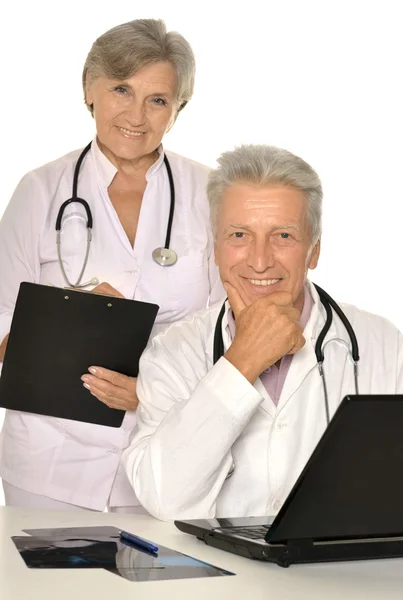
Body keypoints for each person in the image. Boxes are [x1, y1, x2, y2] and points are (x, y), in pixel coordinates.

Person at [0, 19, 224, 512]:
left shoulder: (212, 195)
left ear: (178, 108)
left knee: (159, 591)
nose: (137, 115)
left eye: (158, 99)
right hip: (50, 464)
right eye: (121, 89)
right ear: (89, 88)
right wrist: (67, 319)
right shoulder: (39, 192)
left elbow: (227, 331)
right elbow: (1, 335)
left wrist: (151, 390)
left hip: (167, 460)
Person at [122, 144, 403, 520]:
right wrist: (242, 361)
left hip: (338, 576)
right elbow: (166, 501)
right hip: (215, 577)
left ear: (314, 251)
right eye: (239, 235)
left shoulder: (381, 345)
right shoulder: (173, 352)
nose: (259, 260)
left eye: (283, 236)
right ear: (216, 250)